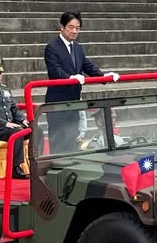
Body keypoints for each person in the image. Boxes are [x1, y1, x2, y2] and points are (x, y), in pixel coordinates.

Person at [43, 11, 119, 153]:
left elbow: (86, 65)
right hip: (57, 102)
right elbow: (55, 70)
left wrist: (103, 76)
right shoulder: (52, 47)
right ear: (62, 27)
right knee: (59, 140)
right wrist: (70, 78)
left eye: (77, 28)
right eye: (71, 27)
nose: (74, 31)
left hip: (74, 101)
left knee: (72, 138)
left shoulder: (77, 48)